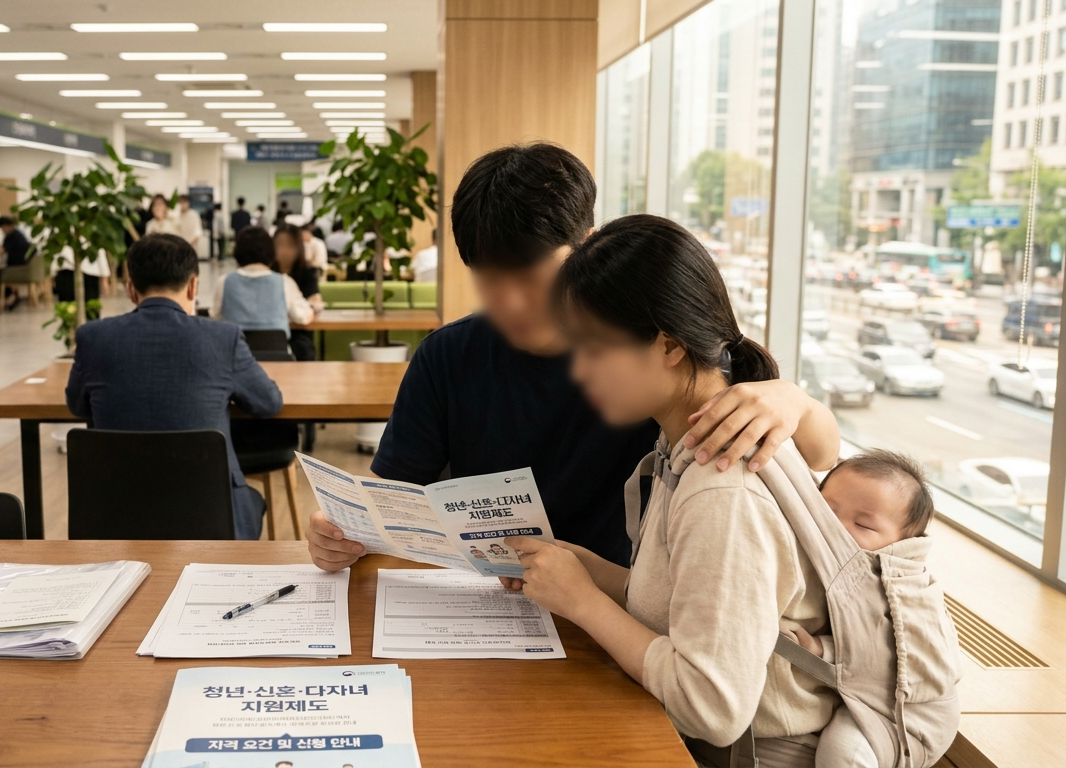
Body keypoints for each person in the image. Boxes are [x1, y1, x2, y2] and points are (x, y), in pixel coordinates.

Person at [306, 144, 838, 573]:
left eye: (530, 277)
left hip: (623, 608)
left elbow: (819, 457)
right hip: (490, 602)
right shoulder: (448, 356)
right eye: (488, 279)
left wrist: (794, 401)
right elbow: (391, 498)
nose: (510, 302)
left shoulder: (645, 355)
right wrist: (343, 532)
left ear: (587, 245)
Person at [505, 213, 838, 766]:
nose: (579, 372)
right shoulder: (686, 441)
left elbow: (712, 710)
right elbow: (680, 606)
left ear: (668, 346)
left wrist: (583, 602)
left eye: (593, 349)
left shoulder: (721, 485)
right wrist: (581, 570)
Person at [65, 234, 283, 539]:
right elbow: (269, 402)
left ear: (130, 288)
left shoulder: (93, 337)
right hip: (212, 516)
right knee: (250, 498)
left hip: (114, 515)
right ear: (193, 286)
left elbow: (76, 404)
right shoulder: (223, 338)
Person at [786, 450, 936, 768]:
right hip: (863, 691)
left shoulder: (890, 581)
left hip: (908, 711)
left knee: (842, 752)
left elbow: (882, 648)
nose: (837, 528)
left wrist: (821, 648)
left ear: (901, 542)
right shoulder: (829, 557)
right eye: (827, 511)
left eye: (863, 525)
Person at [214, 227, 314, 338]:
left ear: (236, 253)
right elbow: (303, 316)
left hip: (235, 348)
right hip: (275, 347)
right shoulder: (284, 282)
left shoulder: (224, 281)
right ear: (271, 253)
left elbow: (216, 316)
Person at [272, 224, 323, 361]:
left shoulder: (307, 272)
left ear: (299, 248)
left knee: (302, 348)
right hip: (271, 332)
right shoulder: (266, 273)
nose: (284, 251)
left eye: (290, 246)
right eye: (279, 245)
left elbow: (315, 300)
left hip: (299, 333)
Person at [0, 216, 33, 310]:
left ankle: (10, 296)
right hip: (24, 266)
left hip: (17, 267)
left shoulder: (11, 236)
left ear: (5, 226)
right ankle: (12, 295)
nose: (2, 231)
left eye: (2, 229)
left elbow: (2, 250)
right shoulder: (18, 234)